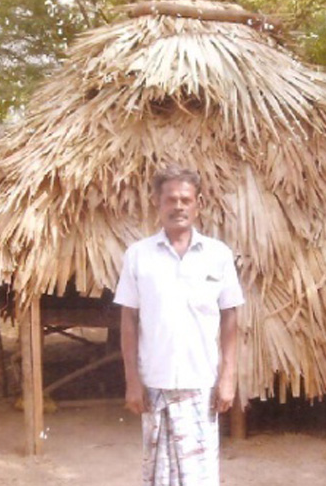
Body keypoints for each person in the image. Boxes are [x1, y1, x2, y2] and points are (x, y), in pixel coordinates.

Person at [113, 165, 245, 486]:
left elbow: (230, 315)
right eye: (170, 199)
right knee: (158, 476)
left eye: (185, 199)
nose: (178, 206)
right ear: (158, 204)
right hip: (154, 383)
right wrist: (132, 380)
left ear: (198, 203)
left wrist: (227, 377)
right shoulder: (138, 256)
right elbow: (128, 319)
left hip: (201, 384)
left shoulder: (218, 255)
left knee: (199, 477)